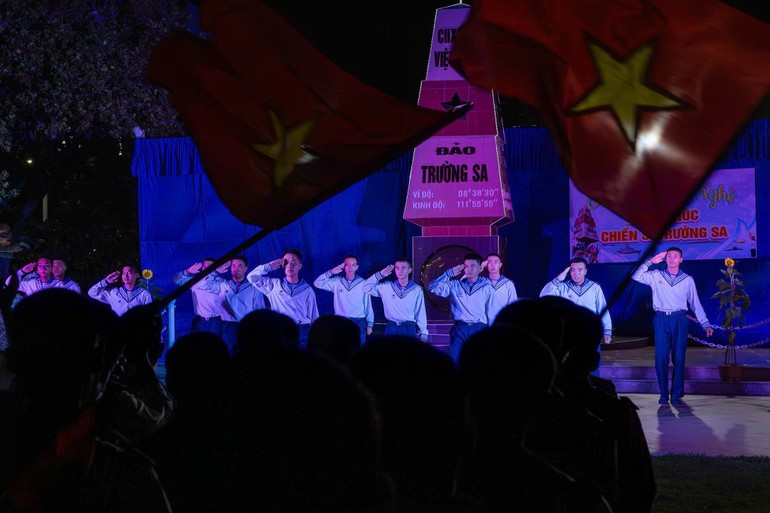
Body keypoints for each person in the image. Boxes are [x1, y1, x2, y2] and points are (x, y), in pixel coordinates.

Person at [632, 248, 714, 405]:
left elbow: (695, 303)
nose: (672, 258)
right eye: (669, 256)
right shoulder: (656, 275)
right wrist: (650, 262)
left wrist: (705, 323)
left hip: (679, 318)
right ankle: (663, 394)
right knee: (661, 358)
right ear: (665, 259)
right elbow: (635, 276)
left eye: (675, 256)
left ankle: (676, 394)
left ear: (680, 260)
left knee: (679, 358)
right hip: (661, 318)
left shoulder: (687, 280)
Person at [540, 257, 612, 376]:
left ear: (585, 271)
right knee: (570, 365)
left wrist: (607, 330)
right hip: (570, 333)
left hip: (589, 332)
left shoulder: (594, 288)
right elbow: (544, 295)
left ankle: (592, 386)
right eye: (572, 270)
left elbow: (602, 308)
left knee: (592, 367)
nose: (576, 273)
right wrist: (558, 279)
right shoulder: (563, 287)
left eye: (580, 270)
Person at [428, 253, 493, 362]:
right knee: (454, 360)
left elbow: (491, 312)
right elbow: (433, 287)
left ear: (479, 268)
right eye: (466, 266)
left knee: (479, 361)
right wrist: (448, 273)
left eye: (473, 266)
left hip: (479, 328)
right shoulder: (455, 285)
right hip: (460, 328)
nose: (469, 269)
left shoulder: (487, 288)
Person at [247, 249, 319, 349]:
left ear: (300, 266)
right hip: (280, 329)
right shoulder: (273, 285)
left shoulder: (307, 290)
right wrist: (269, 266)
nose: (290, 265)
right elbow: (251, 277)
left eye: (293, 262)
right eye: (286, 262)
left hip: (302, 331)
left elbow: (314, 315)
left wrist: (316, 337)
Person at [198, 256, 266, 353]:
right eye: (233, 266)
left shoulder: (254, 288)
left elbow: (260, 311)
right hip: (227, 327)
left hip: (246, 326)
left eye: (239, 266)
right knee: (227, 354)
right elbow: (202, 285)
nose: (236, 269)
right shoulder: (223, 285)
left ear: (246, 268)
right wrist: (215, 272)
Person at [313, 254, 374, 345]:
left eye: (353, 265)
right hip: (340, 321)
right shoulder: (337, 282)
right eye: (347, 265)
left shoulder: (363, 283)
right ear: (343, 267)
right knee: (340, 348)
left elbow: (368, 305)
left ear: (357, 267)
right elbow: (317, 283)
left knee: (359, 349)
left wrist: (370, 324)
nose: (350, 267)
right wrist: (331, 272)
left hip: (358, 322)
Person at [363, 259, 428, 341]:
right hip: (391, 327)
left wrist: (424, 333)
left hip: (408, 328)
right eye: (397, 268)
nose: (400, 271)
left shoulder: (416, 290)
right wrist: (380, 275)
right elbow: (365, 287)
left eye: (403, 268)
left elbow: (420, 312)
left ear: (409, 270)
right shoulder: (386, 287)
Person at [172, 257, 230, 336]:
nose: (205, 268)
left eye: (209, 266)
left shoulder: (221, 282)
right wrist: (187, 272)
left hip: (215, 322)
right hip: (199, 321)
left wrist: (214, 272)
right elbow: (176, 280)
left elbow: (205, 285)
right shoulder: (196, 280)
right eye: (204, 266)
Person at [88, 264, 153, 315]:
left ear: (136, 275)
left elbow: (149, 315)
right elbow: (92, 292)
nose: (126, 276)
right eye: (124, 273)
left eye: (129, 273)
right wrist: (106, 281)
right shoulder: (114, 293)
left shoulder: (144, 294)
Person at [483, 252, 517, 324]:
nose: (493, 265)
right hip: (484, 323)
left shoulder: (508, 284)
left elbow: (513, 306)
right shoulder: (482, 282)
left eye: (496, 262)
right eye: (490, 262)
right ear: (486, 265)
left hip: (502, 323)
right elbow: (465, 281)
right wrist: (480, 267)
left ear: (500, 265)